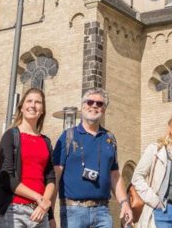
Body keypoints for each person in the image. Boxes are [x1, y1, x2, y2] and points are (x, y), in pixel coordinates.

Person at [52, 88, 133, 228]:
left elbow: (114, 175)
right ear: (83, 106)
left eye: (99, 104)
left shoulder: (110, 139)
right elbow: (55, 175)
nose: (94, 106)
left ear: (104, 110)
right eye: (90, 102)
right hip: (73, 211)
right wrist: (49, 212)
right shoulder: (68, 136)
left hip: (102, 211)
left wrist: (124, 203)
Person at [0, 88, 57, 228]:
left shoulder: (45, 141)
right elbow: (7, 178)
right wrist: (39, 198)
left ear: (42, 110)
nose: (33, 105)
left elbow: (50, 178)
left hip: (40, 213)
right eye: (29, 101)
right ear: (21, 108)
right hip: (13, 210)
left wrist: (45, 206)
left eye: (38, 102)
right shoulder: (10, 136)